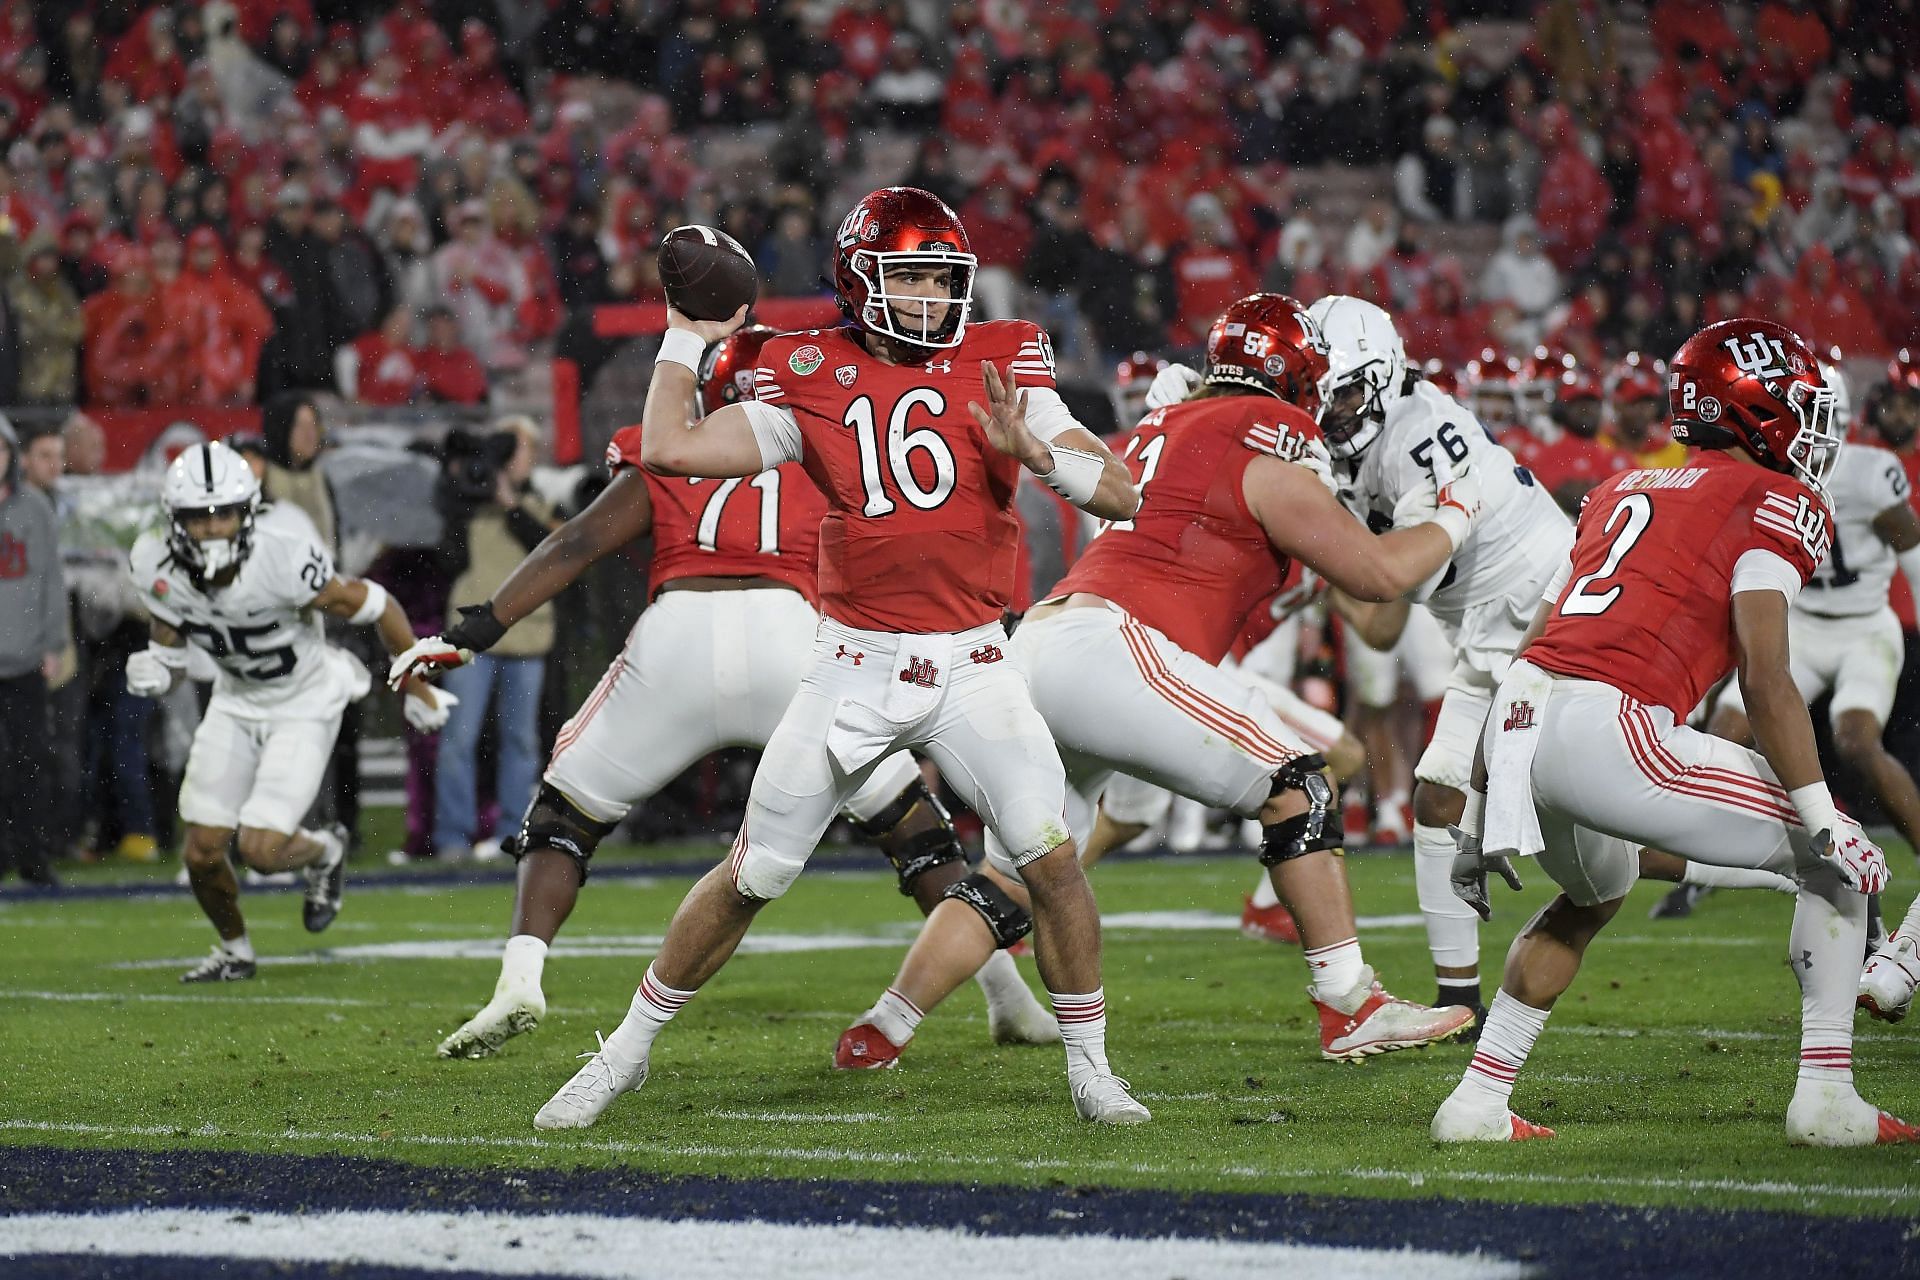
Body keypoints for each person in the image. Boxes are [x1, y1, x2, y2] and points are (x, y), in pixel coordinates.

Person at [519, 186, 1146, 1128]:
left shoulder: (1001, 358)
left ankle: (1093, 1070)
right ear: (862, 281)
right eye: (913, 278)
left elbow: (1124, 494)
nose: (934, 299)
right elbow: (668, 445)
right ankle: (624, 1053)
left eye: (945, 279)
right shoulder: (805, 367)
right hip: (852, 664)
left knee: (1050, 858)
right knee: (754, 873)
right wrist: (685, 338)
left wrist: (1038, 452)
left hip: (975, 663)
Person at [835, 294, 1484, 1068]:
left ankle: (886, 1025)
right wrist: (1456, 512)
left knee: (1013, 872)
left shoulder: (1172, 422)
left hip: (1044, 642)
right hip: (1113, 648)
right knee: (1300, 785)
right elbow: (1378, 576)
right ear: (1297, 381)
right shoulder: (1258, 434)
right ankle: (1350, 1002)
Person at [392, 326, 1057, 1059]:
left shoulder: (675, 450)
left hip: (680, 632)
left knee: (565, 812)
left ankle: (520, 976)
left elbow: (574, 543)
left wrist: (479, 628)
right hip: (794, 637)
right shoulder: (826, 433)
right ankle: (1008, 996)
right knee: (911, 826)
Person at [1434, 318, 1915, 1147]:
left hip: (1521, 722)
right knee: (1831, 854)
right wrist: (1820, 811)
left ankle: (1475, 1103)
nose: (1810, 429)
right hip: (1612, 723)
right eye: (1796, 407)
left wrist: (1480, 806)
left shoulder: (1621, 489)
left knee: (1591, 894)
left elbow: (1531, 651)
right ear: (1754, 410)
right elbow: (1766, 677)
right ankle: (1827, 1099)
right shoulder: (1777, 497)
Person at [1312, 296, 1787, 1028]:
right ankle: (1459, 1003)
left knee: (1575, 825)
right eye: (1321, 390)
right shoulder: (1358, 443)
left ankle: (1789, 864)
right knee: (1462, 805)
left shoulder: (1421, 440)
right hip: (1487, 629)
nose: (1331, 409)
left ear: (1382, 378)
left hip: (1540, 614)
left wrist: (1313, 563)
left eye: (1342, 391)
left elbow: (1377, 618)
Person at [126, 442, 454, 982]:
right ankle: (236, 951)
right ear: (173, 521)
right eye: (198, 518)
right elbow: (172, 638)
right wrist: (163, 666)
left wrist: (416, 688)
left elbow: (381, 605)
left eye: (223, 514)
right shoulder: (154, 563)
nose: (212, 530)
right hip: (236, 700)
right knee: (203, 853)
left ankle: (325, 850)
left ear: (248, 513)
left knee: (260, 849)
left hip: (303, 700)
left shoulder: (282, 559)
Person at [428, 418, 561, 862]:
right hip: (472, 637)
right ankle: (453, 837)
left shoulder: (540, 502)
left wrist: (511, 505)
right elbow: (447, 559)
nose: (518, 459)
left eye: (522, 450)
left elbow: (552, 553)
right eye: (512, 450)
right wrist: (461, 496)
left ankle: (511, 833)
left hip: (527, 636)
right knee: (458, 741)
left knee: (520, 743)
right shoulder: (465, 502)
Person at [0, 415, 67, 886]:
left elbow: (52, 580)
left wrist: (53, 642)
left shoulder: (36, 510)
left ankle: (33, 857)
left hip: (25, 658)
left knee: (31, 761)